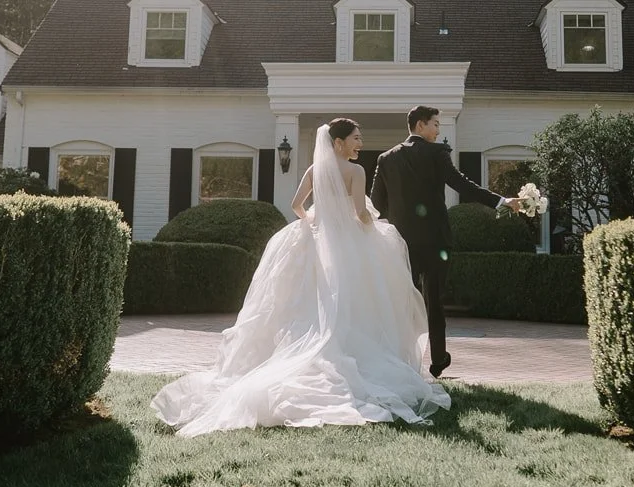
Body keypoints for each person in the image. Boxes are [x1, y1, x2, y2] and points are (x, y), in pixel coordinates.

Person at [151, 119, 449, 436]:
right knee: (352, 299)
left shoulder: (314, 170)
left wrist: (313, 222)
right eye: (356, 139)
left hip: (317, 239)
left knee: (309, 300)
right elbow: (361, 213)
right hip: (347, 241)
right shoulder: (355, 171)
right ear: (338, 143)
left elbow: (296, 206)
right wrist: (373, 227)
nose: (360, 144)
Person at [370, 105, 516, 378]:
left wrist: (398, 220)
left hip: (402, 243)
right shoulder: (437, 153)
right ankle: (438, 360)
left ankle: (400, 358)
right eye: (435, 124)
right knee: (434, 301)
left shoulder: (386, 159)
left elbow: (377, 203)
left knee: (403, 300)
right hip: (436, 241)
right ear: (421, 125)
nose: (438, 130)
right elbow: (462, 185)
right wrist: (500, 201)